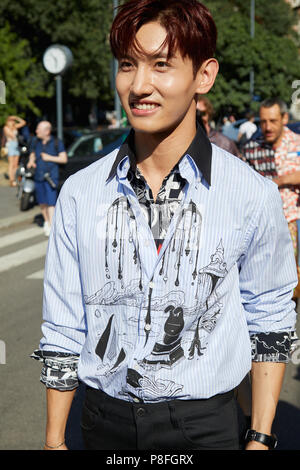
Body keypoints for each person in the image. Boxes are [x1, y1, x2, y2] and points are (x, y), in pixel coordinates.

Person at [31, 0, 297, 451]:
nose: (139, 85)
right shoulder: (80, 192)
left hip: (207, 425)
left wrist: (260, 436)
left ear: (204, 75)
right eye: (127, 65)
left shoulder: (250, 193)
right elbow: (63, 322)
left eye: (161, 65)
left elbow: (269, 317)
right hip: (103, 421)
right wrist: (55, 439)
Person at [241, 98, 300, 299]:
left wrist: (281, 179)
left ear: (284, 118)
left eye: (273, 121)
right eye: (263, 121)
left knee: (293, 283)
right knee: (269, 284)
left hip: (293, 220)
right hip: (263, 225)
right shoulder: (253, 149)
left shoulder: (297, 143)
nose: (267, 127)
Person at [27, 121, 67, 237]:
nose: (36, 131)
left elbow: (63, 159)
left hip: (51, 177)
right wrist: (31, 161)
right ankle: (46, 222)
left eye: (39, 129)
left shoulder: (56, 142)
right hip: (38, 176)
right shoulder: (36, 141)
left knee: (51, 203)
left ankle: (52, 225)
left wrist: (49, 157)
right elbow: (32, 153)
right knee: (42, 202)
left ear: (47, 131)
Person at [3, 115, 26, 186]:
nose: (13, 122)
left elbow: (23, 122)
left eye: (13, 120)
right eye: (11, 120)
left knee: (16, 164)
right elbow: (12, 135)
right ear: (8, 121)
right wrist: (13, 128)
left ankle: (15, 178)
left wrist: (16, 118)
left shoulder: (15, 126)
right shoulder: (6, 128)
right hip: (10, 145)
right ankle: (11, 180)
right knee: (11, 163)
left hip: (16, 145)